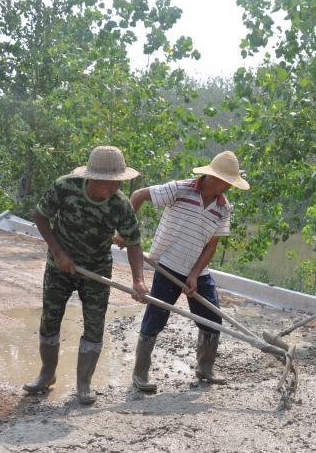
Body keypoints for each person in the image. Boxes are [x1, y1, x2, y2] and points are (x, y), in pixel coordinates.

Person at [23, 146, 148, 404]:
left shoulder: (120, 205)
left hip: (96, 270)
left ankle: (84, 383)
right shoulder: (65, 188)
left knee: (94, 325)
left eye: (119, 182)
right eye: (109, 182)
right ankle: (47, 374)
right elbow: (40, 216)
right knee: (50, 319)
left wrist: (138, 280)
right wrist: (58, 252)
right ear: (92, 178)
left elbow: (134, 243)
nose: (115, 187)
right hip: (60, 267)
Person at [123, 151, 248, 392]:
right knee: (156, 318)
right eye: (227, 182)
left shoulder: (223, 208)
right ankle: (140, 373)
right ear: (213, 177)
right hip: (167, 264)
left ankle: (205, 368)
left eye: (232, 184)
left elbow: (212, 244)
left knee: (212, 319)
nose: (229, 188)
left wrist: (194, 274)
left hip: (197, 272)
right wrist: (125, 230)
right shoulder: (180, 190)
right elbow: (138, 195)